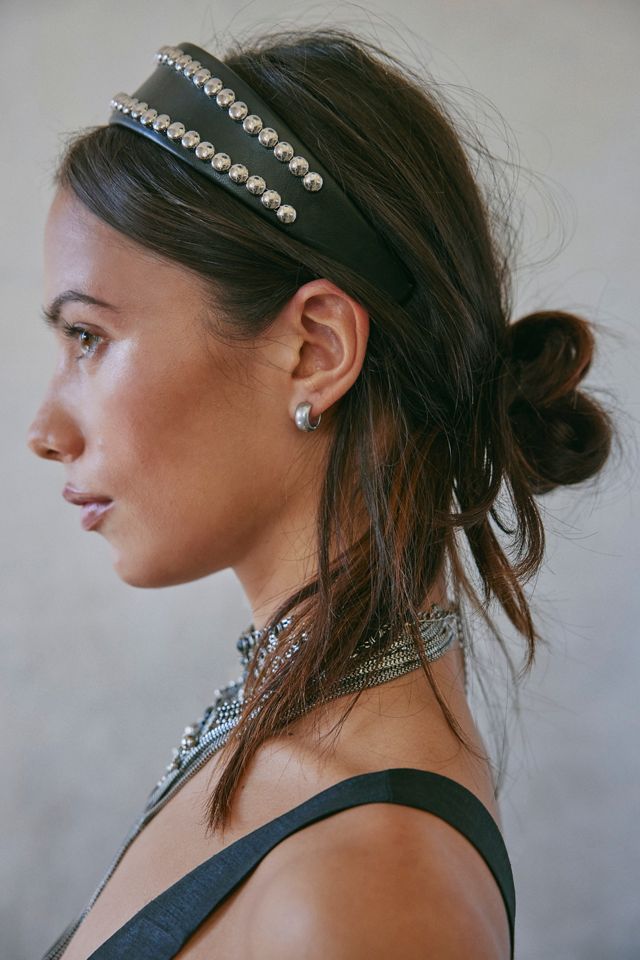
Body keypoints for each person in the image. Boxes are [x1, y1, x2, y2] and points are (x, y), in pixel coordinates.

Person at [27, 26, 613, 960]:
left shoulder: (363, 897)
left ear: (316, 350)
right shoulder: (280, 734)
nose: (44, 430)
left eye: (89, 338)